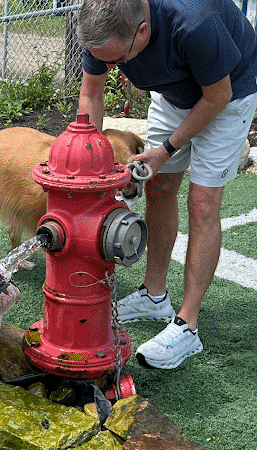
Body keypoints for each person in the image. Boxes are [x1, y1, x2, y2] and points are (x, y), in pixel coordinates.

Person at [76, 0, 257, 369]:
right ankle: (154, 296)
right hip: (174, 92)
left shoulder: (194, 22)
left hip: (228, 92)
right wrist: (87, 158)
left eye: (117, 61)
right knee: (157, 188)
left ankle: (187, 326)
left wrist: (166, 150)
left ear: (142, 30)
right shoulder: (104, 25)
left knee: (202, 204)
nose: (112, 67)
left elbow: (217, 96)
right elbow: (91, 93)